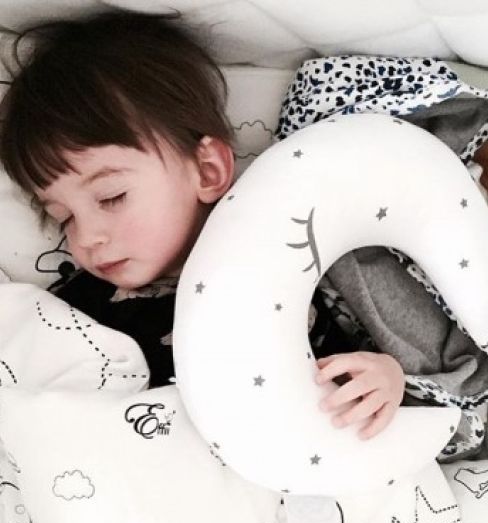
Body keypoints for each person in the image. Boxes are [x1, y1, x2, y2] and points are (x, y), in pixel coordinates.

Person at [0, 9, 405, 440]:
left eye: (111, 197)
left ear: (207, 171)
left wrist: (387, 378)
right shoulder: (76, 307)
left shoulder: (287, 265)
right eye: (62, 217)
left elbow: (367, 375)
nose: (85, 237)